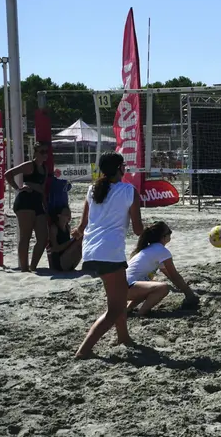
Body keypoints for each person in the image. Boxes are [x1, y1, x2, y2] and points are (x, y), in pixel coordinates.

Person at [75, 151, 144, 359]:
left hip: (90, 250)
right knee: (115, 308)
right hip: (110, 252)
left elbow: (82, 225)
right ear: (119, 169)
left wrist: (77, 233)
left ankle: (123, 337)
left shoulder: (92, 189)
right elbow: (139, 230)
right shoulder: (129, 191)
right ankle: (84, 349)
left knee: (118, 297)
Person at [125, 221, 199, 316]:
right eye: (169, 232)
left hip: (117, 289)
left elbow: (169, 275)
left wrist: (186, 291)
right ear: (164, 236)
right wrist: (189, 294)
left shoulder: (148, 249)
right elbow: (174, 275)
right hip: (126, 289)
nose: (170, 234)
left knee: (150, 284)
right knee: (163, 288)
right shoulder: (162, 251)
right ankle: (140, 314)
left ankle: (128, 308)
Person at [5, 142, 50, 272]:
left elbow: (42, 189)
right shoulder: (30, 165)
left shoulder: (45, 169)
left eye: (46, 151)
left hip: (37, 202)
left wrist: (45, 206)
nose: (45, 154)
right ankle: (24, 269)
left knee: (43, 237)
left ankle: (33, 266)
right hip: (25, 201)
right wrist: (18, 188)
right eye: (42, 152)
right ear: (35, 153)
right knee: (26, 236)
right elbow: (8, 174)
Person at [48, 205, 82, 272]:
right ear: (59, 215)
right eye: (66, 214)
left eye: (69, 213)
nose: (69, 216)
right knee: (77, 241)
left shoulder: (67, 227)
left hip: (67, 260)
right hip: (59, 262)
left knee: (81, 239)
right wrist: (72, 241)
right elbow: (55, 249)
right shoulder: (54, 228)